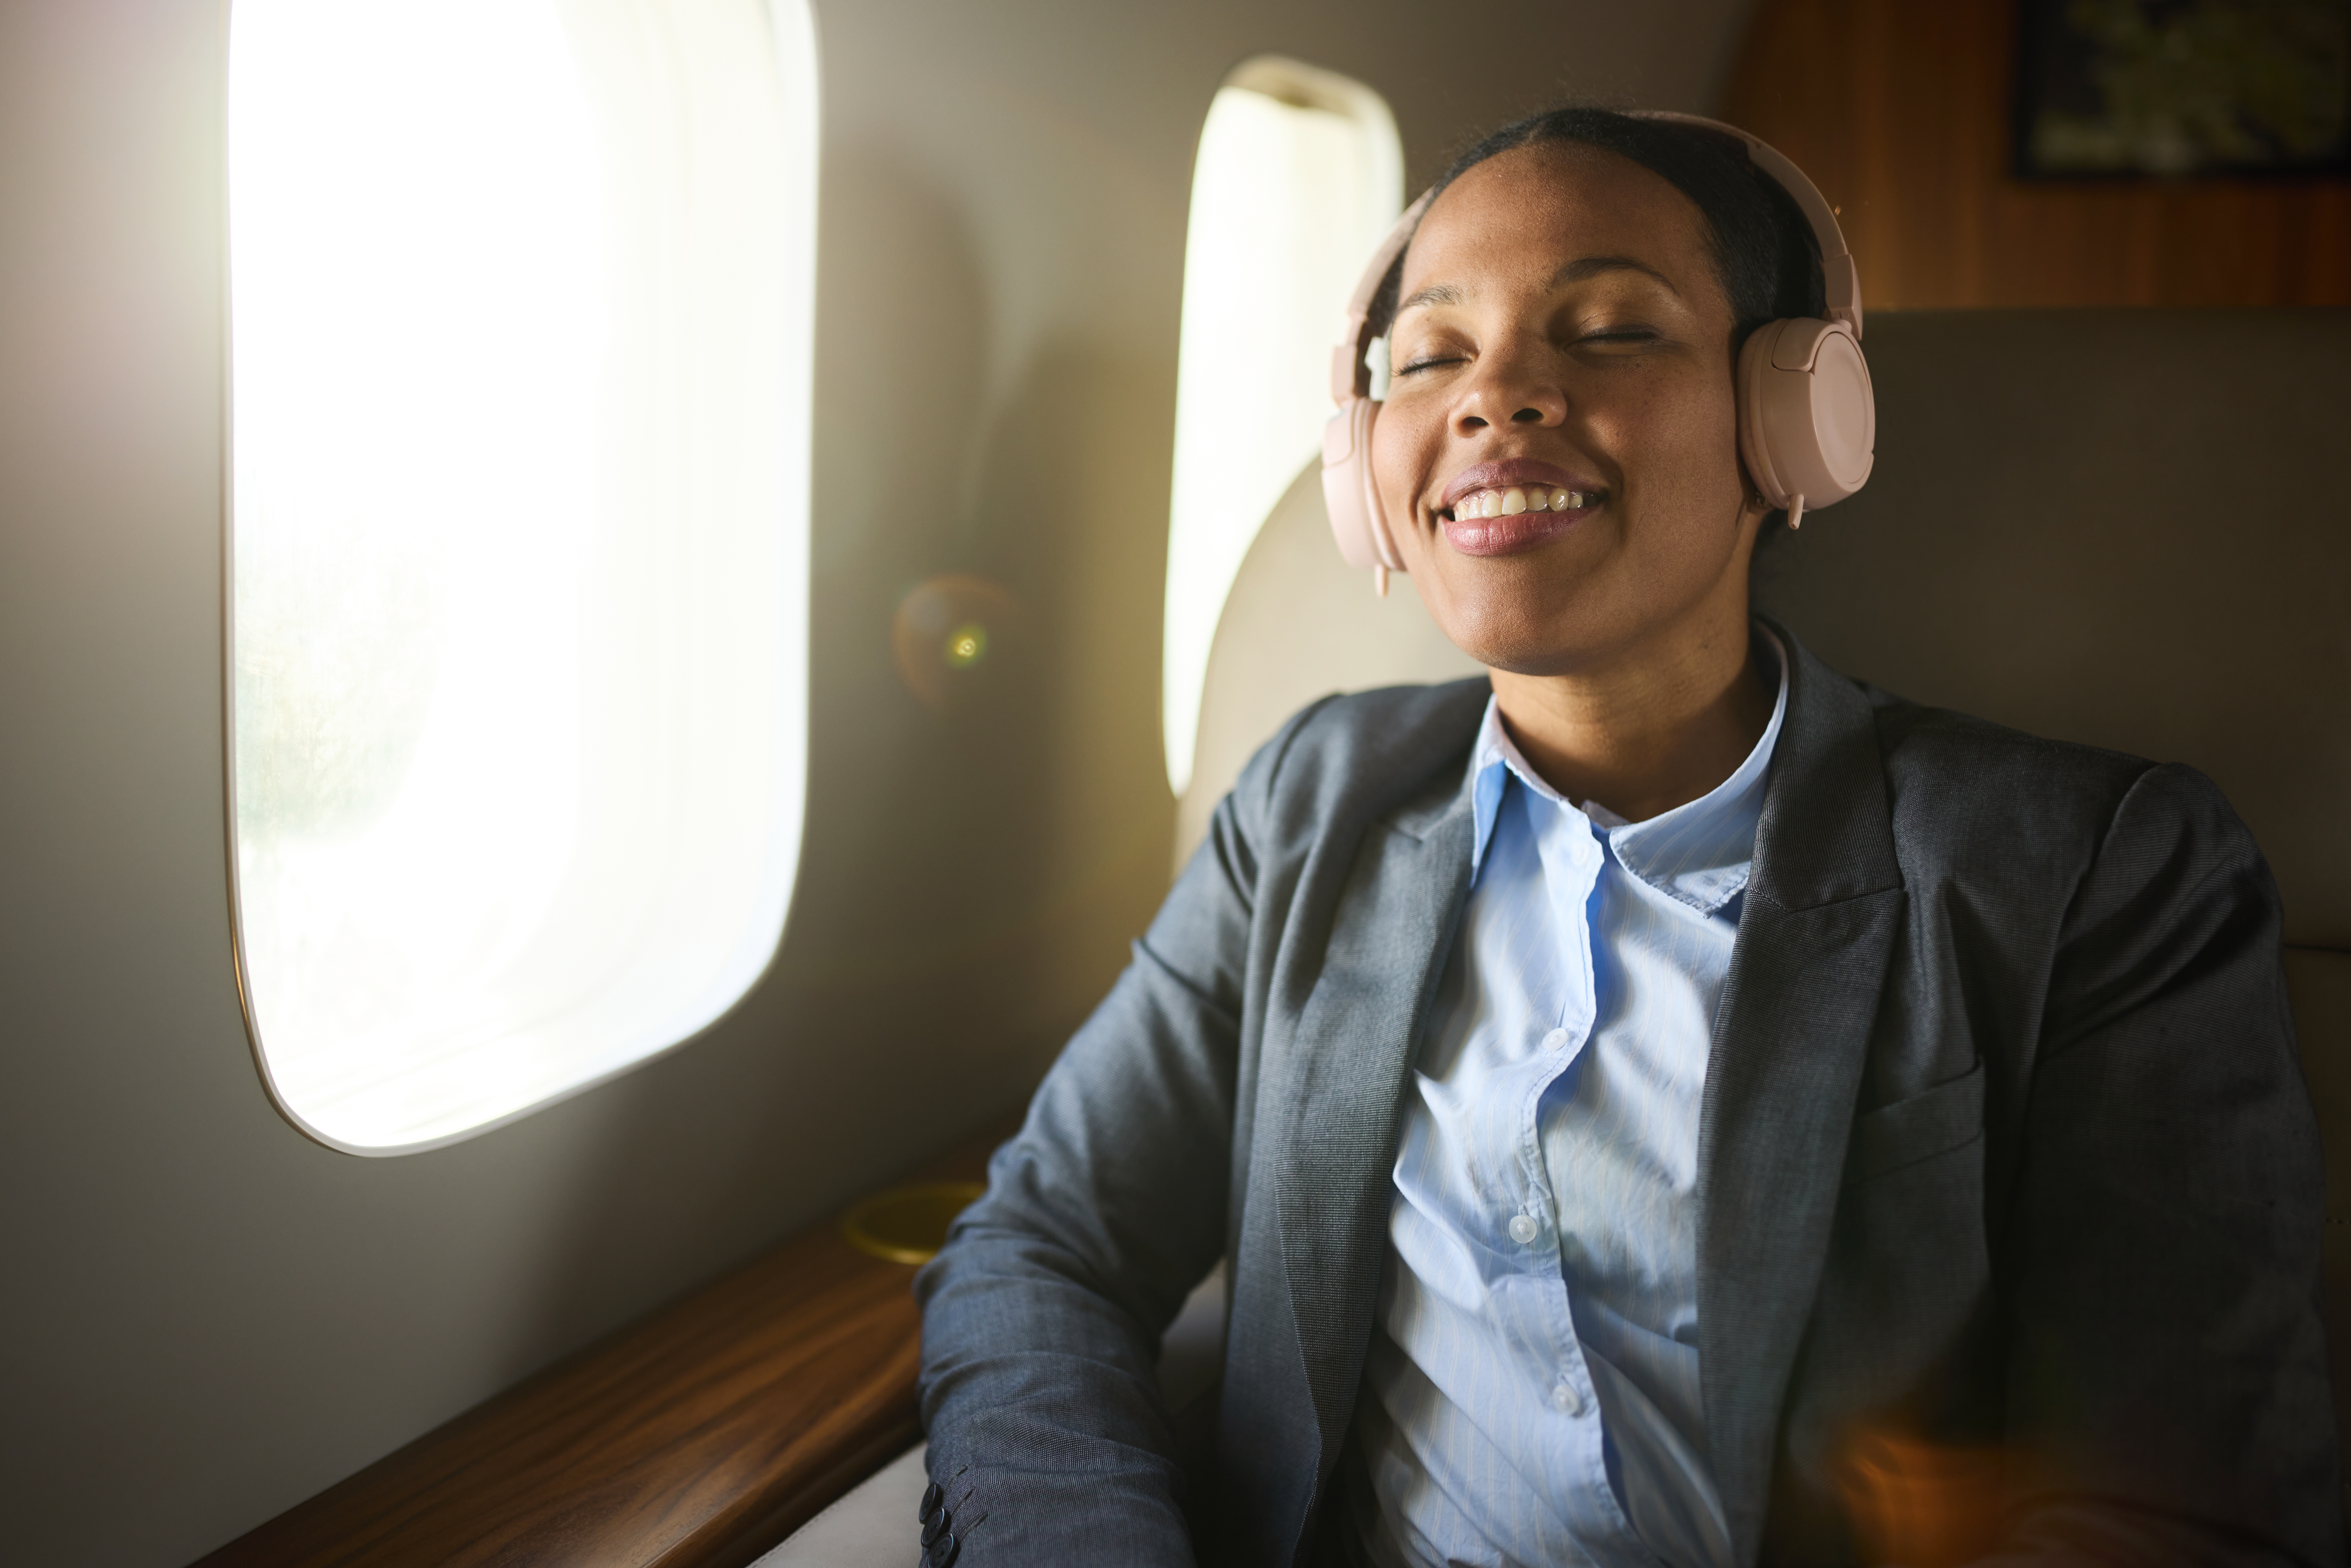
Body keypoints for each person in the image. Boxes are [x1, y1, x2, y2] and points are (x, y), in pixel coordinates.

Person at [910, 106, 2340, 1567]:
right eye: (1429, 355)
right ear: (1367, 455)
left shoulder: (2094, 868)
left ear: (1790, 412)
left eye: (1606, 331)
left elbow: (2173, 1503)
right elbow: (1046, 1242)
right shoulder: (1312, 803)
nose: (1497, 396)